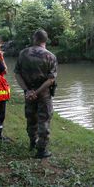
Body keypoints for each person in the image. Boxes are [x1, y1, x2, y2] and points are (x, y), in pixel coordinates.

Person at [14, 29, 58, 159]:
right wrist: (37, 92)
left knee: (31, 118)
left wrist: (28, 91)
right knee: (44, 119)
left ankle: (32, 143)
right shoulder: (50, 56)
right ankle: (41, 150)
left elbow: (17, 74)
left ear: (34, 38)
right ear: (46, 40)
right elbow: (51, 79)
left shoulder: (23, 54)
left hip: (28, 93)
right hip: (43, 94)